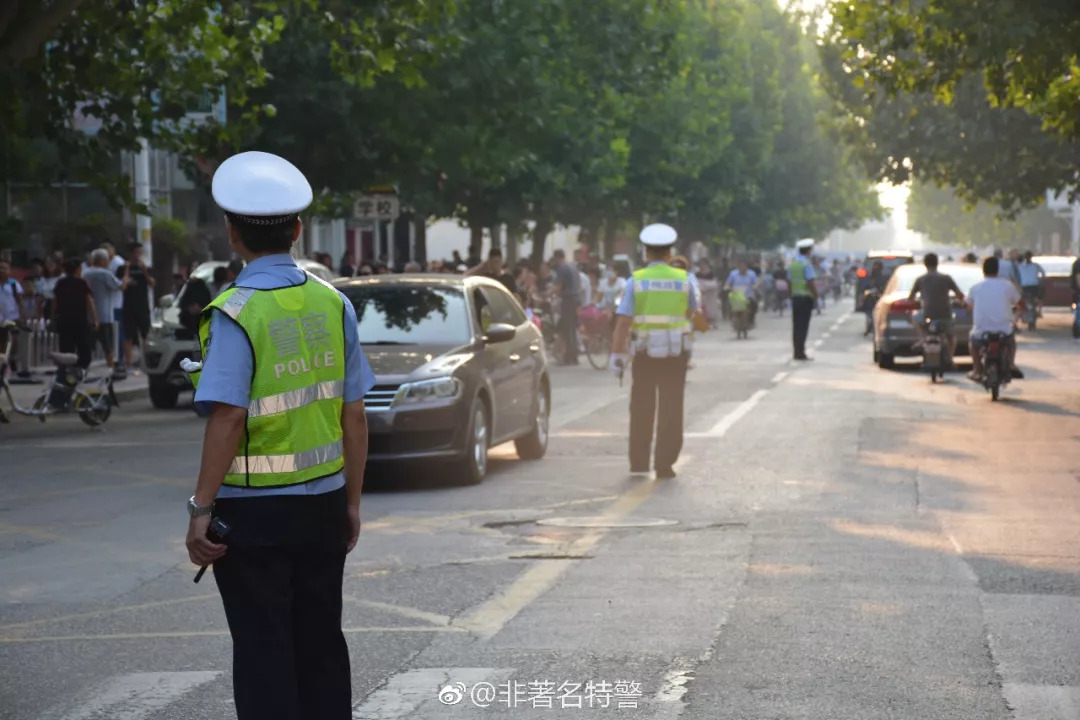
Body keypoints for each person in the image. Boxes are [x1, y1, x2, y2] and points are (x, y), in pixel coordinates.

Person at [185, 151, 375, 720]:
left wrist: (200, 508)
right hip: (321, 505)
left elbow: (228, 418)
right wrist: (351, 503)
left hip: (254, 519)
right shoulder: (333, 301)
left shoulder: (235, 313)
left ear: (231, 233)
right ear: (298, 230)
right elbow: (355, 415)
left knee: (265, 650)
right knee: (320, 647)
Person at [610, 224, 697, 480]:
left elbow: (623, 322)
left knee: (641, 407)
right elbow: (691, 312)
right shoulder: (684, 280)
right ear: (670, 253)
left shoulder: (635, 281)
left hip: (645, 353)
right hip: (675, 354)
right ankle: (665, 464)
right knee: (672, 408)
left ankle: (639, 463)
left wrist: (616, 355)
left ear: (645, 252)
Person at [966, 256, 1024, 383]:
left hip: (981, 332)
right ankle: (1011, 364)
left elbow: (968, 306)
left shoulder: (975, 288)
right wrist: (1015, 311)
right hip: (1004, 331)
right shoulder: (1007, 286)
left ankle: (977, 369)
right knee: (1011, 342)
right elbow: (1021, 304)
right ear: (997, 270)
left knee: (973, 343)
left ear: (983, 270)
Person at [908, 252, 964, 367]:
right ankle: (949, 359)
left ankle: (923, 338)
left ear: (925, 264)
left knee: (914, 316)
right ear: (937, 263)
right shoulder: (946, 278)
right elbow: (960, 295)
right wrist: (959, 301)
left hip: (927, 314)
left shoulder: (920, 279)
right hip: (945, 314)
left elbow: (910, 298)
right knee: (951, 337)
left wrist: (918, 303)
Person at [83, 248, 129, 374]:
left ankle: (84, 371)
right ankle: (110, 371)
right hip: (104, 315)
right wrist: (126, 273)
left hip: (88, 316)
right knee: (108, 346)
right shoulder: (105, 274)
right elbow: (121, 286)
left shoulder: (85, 273)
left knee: (88, 346)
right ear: (103, 260)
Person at [115, 242, 154, 376]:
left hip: (142, 306)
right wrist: (126, 270)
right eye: (135, 253)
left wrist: (144, 271)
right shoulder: (122, 268)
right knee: (128, 337)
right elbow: (123, 286)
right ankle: (129, 364)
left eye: (139, 253)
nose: (138, 256)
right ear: (130, 253)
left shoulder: (145, 267)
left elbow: (152, 284)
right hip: (128, 307)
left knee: (146, 335)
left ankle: (147, 362)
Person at [52, 258, 98, 370]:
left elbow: (55, 302)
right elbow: (89, 301)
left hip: (64, 320)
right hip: (80, 320)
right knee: (84, 347)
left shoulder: (60, 283)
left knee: (66, 347)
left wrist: (53, 316)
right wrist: (94, 319)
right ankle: (81, 368)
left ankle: (66, 369)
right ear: (78, 270)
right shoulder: (82, 283)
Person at [788, 239, 818, 360]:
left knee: (796, 326)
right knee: (803, 326)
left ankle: (796, 351)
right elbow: (810, 282)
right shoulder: (806, 264)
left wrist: (790, 295)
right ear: (808, 251)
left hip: (795, 299)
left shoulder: (793, 264)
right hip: (805, 299)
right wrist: (816, 295)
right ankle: (801, 353)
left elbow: (789, 282)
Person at [550, 249, 581, 365]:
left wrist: (548, 293)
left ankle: (569, 356)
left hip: (567, 300)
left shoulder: (562, 269)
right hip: (576, 300)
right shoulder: (573, 267)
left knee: (567, 329)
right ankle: (574, 355)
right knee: (573, 328)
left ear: (557, 258)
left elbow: (558, 287)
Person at [725, 259, 759, 327]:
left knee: (754, 305)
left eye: (744, 266)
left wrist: (755, 286)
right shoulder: (733, 274)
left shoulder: (751, 274)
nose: (742, 268)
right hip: (736, 296)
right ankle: (732, 319)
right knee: (728, 305)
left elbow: (756, 282)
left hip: (748, 296)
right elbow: (728, 283)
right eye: (740, 266)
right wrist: (728, 287)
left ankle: (751, 320)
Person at [1016, 251, 1045, 318]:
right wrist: (1039, 280)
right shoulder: (1036, 265)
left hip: (1023, 287)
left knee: (1020, 299)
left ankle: (1019, 314)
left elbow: (1016, 276)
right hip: (1034, 286)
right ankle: (1039, 311)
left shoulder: (1020, 266)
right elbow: (1043, 274)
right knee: (1039, 297)